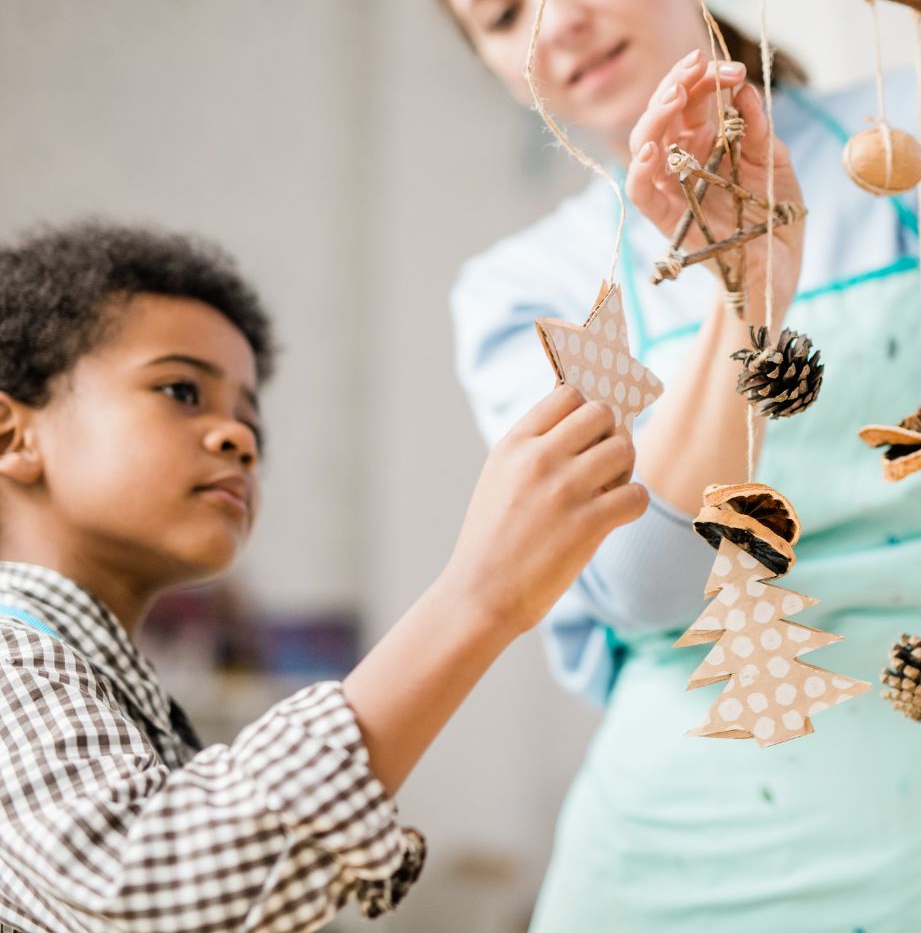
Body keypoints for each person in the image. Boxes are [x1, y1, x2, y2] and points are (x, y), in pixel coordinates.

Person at [420, 0, 921, 929]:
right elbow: (645, 593)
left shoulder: (906, 149)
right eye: (501, 12)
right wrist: (744, 300)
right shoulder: (529, 291)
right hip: (688, 863)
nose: (556, 18)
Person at [0, 220, 646, 933]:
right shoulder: (11, 655)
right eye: (182, 391)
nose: (238, 438)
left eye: (252, 424)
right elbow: (148, 898)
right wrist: (476, 599)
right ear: (13, 436)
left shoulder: (101, 684)